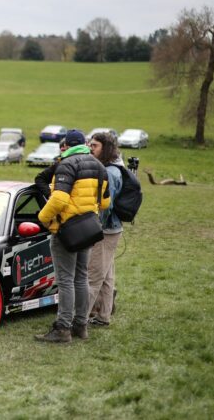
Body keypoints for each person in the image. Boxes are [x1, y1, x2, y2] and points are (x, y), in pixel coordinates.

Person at [35, 129, 109, 343]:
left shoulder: (67, 164)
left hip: (66, 230)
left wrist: (43, 218)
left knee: (65, 280)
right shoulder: (99, 166)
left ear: (67, 144)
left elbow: (58, 200)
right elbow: (105, 203)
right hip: (88, 230)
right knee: (81, 277)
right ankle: (80, 326)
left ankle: (63, 329)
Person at [87, 132, 123, 327]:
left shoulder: (109, 172)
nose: (90, 149)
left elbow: (106, 206)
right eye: (90, 145)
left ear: (105, 148)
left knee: (93, 276)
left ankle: (80, 319)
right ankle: (103, 316)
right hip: (113, 229)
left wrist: (96, 227)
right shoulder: (114, 168)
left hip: (106, 231)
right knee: (107, 276)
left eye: (95, 146)